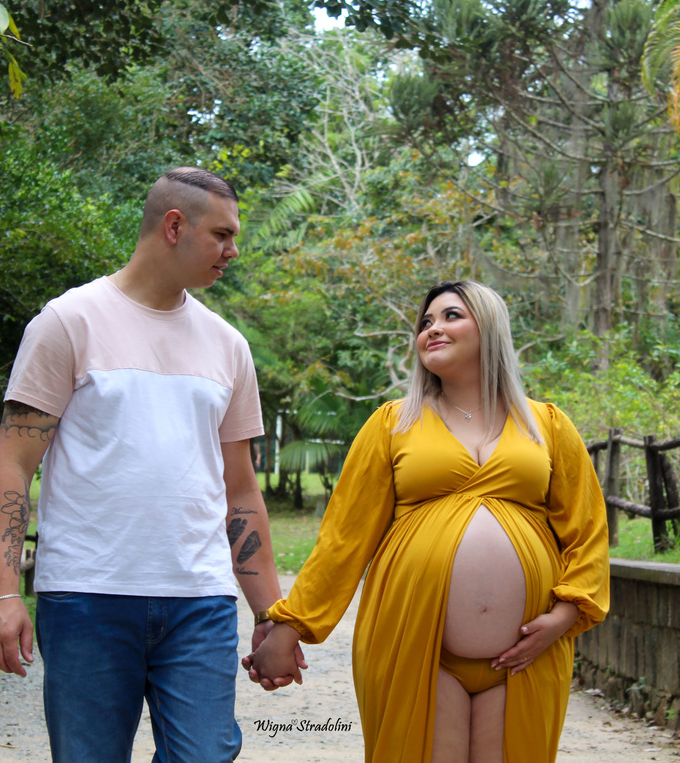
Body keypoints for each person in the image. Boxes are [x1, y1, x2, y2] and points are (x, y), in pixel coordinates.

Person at [0, 167, 297, 762]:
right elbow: (12, 464)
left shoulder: (228, 345)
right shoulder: (68, 321)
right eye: (222, 234)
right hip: (86, 597)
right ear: (174, 226)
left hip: (199, 600)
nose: (232, 251)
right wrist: (0, 592)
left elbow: (241, 490)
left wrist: (270, 615)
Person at [246, 280, 610, 762]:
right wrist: (288, 627)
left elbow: (587, 535)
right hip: (410, 642)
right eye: (425, 322)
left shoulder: (548, 425)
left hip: (528, 653)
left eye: (451, 316)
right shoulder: (392, 424)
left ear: (490, 327)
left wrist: (562, 618)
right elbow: (343, 541)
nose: (432, 328)